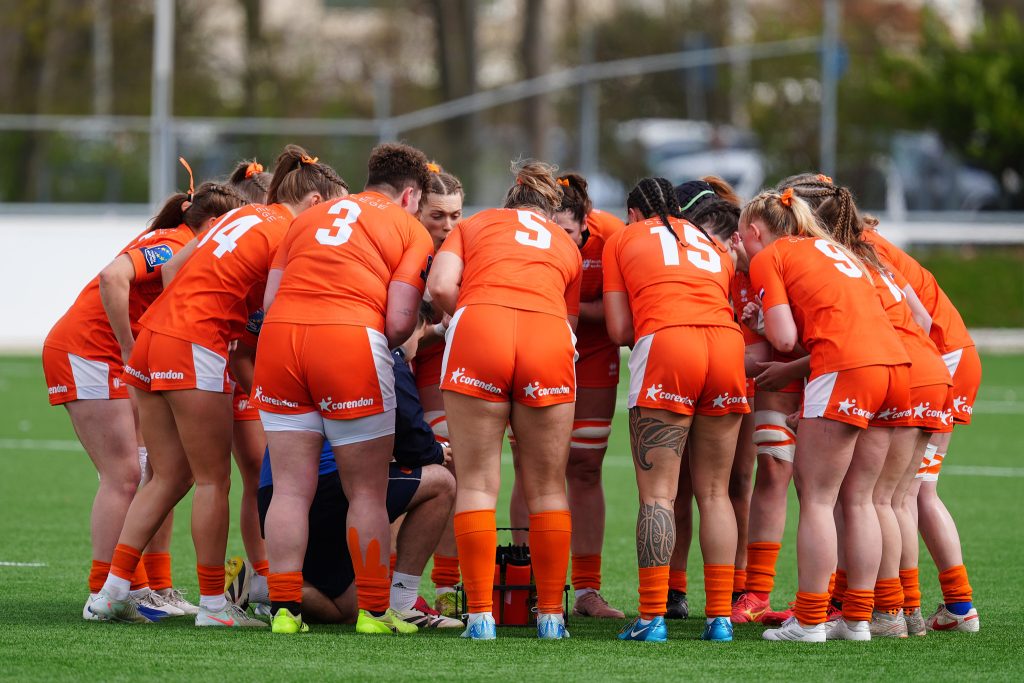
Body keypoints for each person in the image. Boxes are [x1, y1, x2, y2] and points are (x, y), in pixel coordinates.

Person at [88, 145, 346, 628]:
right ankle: (212, 607)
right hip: (195, 346)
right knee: (212, 480)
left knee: (169, 476)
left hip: (152, 339)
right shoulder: (290, 231)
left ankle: (110, 592)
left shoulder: (239, 216)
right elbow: (275, 306)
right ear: (315, 204)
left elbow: (169, 270)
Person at [44, 178, 246, 621]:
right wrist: (128, 346)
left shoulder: (191, 246)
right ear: (213, 223)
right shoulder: (173, 240)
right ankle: (105, 590)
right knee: (124, 475)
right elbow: (112, 276)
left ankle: (155, 586)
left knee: (159, 469)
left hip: (115, 356)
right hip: (89, 352)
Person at [254, 142, 433, 635]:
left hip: (282, 340)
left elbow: (269, 302)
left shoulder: (309, 217)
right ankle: (375, 613)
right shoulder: (410, 229)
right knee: (368, 493)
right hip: (348, 339)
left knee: (291, 487)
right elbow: (399, 322)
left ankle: (284, 611)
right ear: (410, 194)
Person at [740, 189, 911, 643]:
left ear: (755, 230)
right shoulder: (831, 247)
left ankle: (811, 619)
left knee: (817, 498)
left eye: (741, 237)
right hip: (895, 368)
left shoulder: (769, 255)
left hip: (845, 367)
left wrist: (760, 322)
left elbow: (782, 336)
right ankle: (858, 617)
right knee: (860, 500)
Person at [427, 160, 581, 641]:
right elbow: (567, 317)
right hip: (546, 334)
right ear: (550, 210)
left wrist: (472, 316)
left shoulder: (474, 224)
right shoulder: (564, 242)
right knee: (549, 488)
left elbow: (440, 286)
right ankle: (552, 616)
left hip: (481, 327)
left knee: (475, 482)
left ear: (510, 197)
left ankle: (478, 616)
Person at [244, 315, 461, 629]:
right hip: (329, 492)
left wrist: (436, 329)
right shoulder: (383, 358)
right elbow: (414, 447)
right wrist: (437, 451)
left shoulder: (312, 343)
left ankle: (261, 590)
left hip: (277, 500)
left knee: (345, 609)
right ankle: (404, 605)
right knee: (441, 483)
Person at [604, 177, 748, 642]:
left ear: (633, 213)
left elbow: (620, 328)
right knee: (715, 493)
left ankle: (651, 617)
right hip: (726, 348)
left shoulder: (623, 237)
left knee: (658, 494)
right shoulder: (710, 242)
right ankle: (720, 619)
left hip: (669, 344)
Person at [861, 215, 982, 634]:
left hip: (935, 359)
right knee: (908, 493)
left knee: (905, 494)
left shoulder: (856, 248)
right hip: (946, 357)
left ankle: (911, 607)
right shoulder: (864, 239)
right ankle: (946, 605)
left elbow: (917, 322)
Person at [545, 172, 627, 619]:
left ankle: (587, 591)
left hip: (592, 355)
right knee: (534, 468)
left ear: (586, 225)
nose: (561, 241)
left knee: (585, 466)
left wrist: (577, 312)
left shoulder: (613, 236)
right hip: (536, 351)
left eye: (569, 233)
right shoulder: (526, 232)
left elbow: (627, 304)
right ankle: (532, 580)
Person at [409, 163, 465, 615]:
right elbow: (402, 338)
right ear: (416, 211)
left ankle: (447, 588)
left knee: (454, 461)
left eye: (455, 215)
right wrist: (436, 328)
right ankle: (389, 586)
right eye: (437, 216)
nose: (447, 226)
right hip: (390, 363)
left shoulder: (466, 247)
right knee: (388, 469)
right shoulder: (400, 245)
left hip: (433, 365)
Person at [222, 159, 274, 611]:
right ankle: (256, 578)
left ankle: (259, 575)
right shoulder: (241, 254)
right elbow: (239, 350)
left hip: (253, 372)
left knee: (260, 475)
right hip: (230, 372)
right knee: (256, 471)